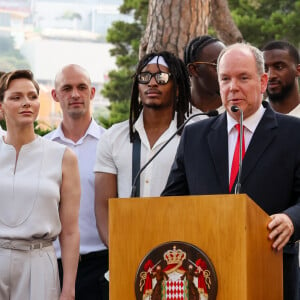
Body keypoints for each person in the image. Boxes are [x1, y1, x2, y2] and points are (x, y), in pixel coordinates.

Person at [162, 43, 300, 300]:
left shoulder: (293, 133)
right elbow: (170, 202)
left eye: (243, 78)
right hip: (204, 275)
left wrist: (292, 220)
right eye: (225, 79)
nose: (233, 87)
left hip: (271, 272)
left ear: (262, 82)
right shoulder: (195, 135)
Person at [94, 51, 191, 246]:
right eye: (144, 77)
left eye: (162, 77)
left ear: (178, 88)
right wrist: (118, 250)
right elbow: (103, 206)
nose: (152, 83)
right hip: (126, 253)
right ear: (138, 86)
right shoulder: (113, 137)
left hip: (178, 255)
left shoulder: (193, 134)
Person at [0, 70, 80, 300]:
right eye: (16, 97)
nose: (27, 102)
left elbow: (71, 231)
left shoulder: (63, 157)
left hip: (38, 264)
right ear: (1, 106)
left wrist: (69, 289)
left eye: (32, 96)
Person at [44, 64, 108, 300]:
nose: (75, 94)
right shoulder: (44, 149)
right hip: (53, 264)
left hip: (102, 263)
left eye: (82, 87)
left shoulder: (110, 144)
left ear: (92, 93)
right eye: (67, 88)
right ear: (55, 95)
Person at [183, 35, 226, 120]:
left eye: (227, 64)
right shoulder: (173, 112)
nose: (225, 72)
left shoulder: (237, 110)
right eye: (217, 65)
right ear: (194, 70)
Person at [262, 40, 300, 116]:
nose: (270, 76)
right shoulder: (252, 117)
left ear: (298, 70)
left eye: (279, 67)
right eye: (265, 69)